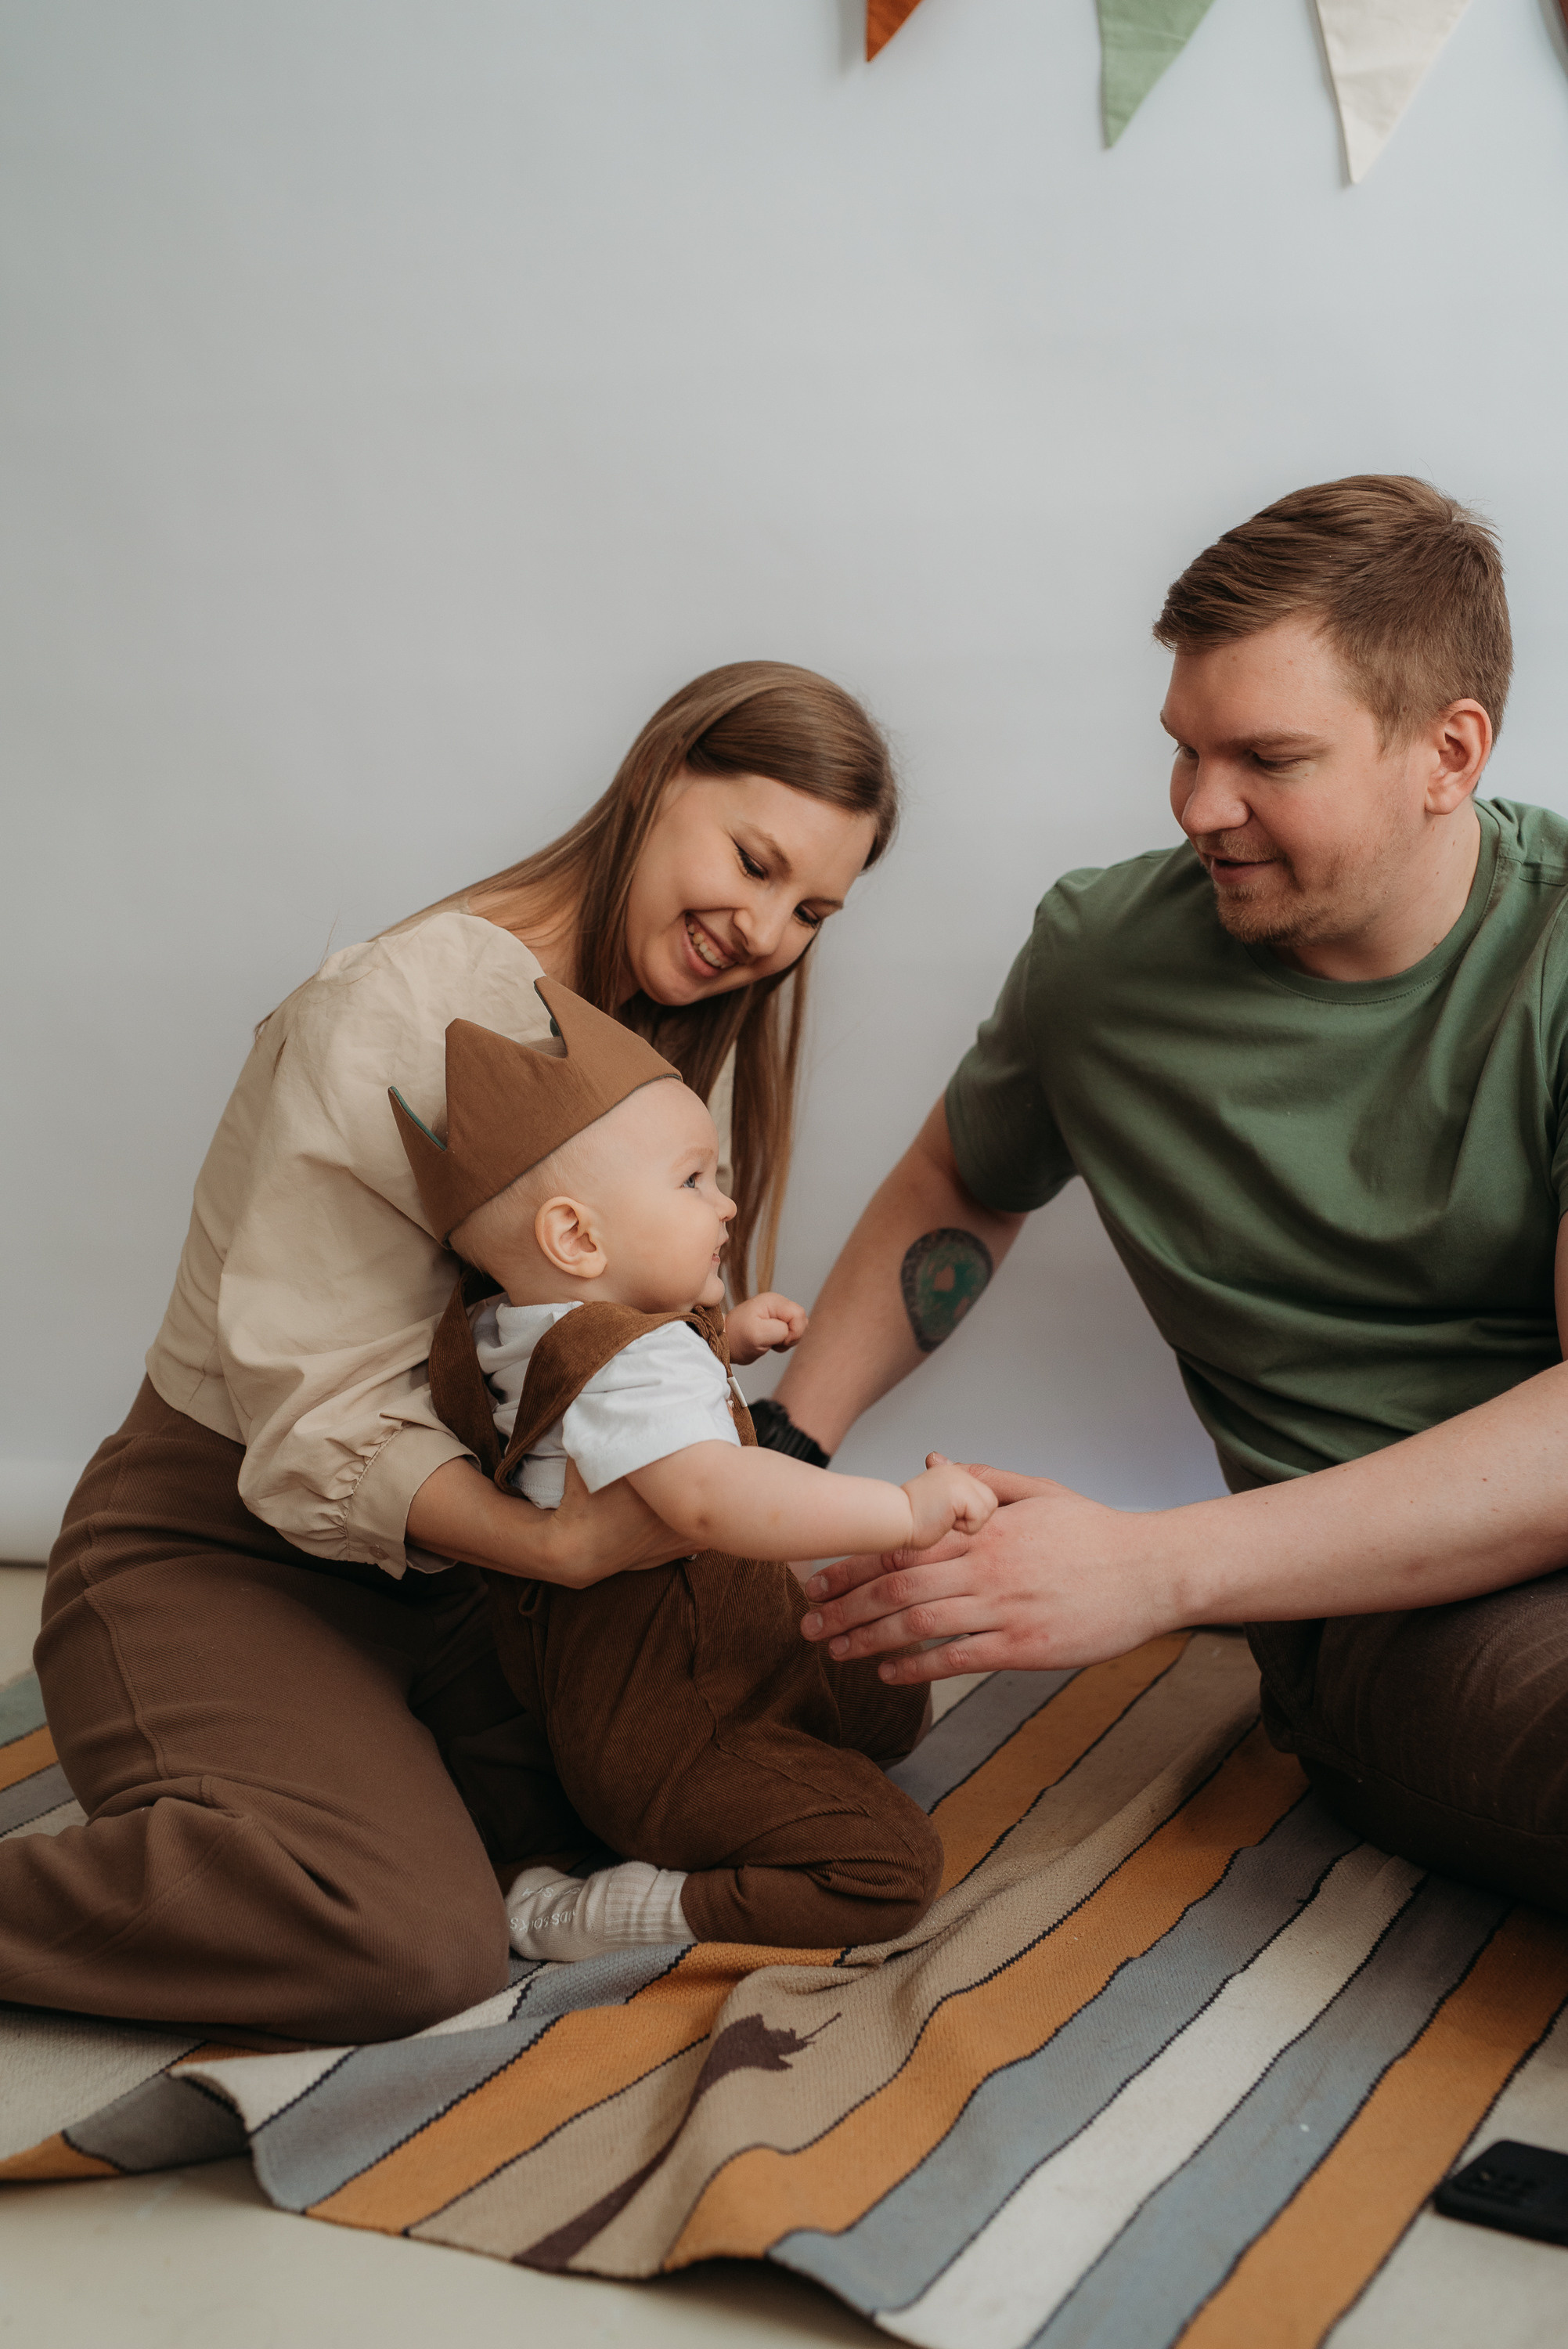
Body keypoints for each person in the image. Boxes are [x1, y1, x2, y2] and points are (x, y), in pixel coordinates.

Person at [2, 661, 899, 2041]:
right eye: (754, 861)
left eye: (810, 911)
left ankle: (385, 1778)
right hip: (232, 1541)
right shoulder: (404, 1005)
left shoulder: (651, 1025)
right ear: (659, 780)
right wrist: (553, 1553)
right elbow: (318, 1418)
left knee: (757, 1763)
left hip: (461, 1583)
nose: (766, 930)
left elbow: (575, 1334)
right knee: (408, 1948)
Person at [773, 476, 1568, 1916]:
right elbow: (960, 1183)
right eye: (1184, 750)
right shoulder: (1102, 966)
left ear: (1447, 752)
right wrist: (779, 1448)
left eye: (1268, 757)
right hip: (1403, 1621)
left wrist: (1149, 1568)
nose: (1202, 808)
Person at [398, 987, 986, 1959]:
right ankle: (607, 1913)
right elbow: (714, 1496)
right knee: (885, 1866)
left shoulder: (506, 1329)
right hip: (676, 1724)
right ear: (577, 1238)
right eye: (693, 1182)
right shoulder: (637, 1365)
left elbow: (613, 1372)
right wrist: (900, 1510)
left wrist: (722, 1337)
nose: (728, 1202)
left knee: (885, 1686)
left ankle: (772, 1772)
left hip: (659, 1677)